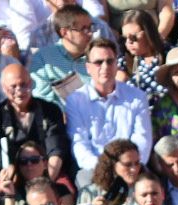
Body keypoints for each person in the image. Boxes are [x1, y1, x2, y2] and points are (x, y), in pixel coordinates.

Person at [66, 37, 154, 177]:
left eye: (110, 61)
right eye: (98, 62)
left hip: (133, 169)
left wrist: (129, 167)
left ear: (116, 64)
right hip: (94, 171)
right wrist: (106, 170)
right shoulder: (75, 101)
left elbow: (143, 140)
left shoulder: (137, 97)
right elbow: (80, 146)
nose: (105, 67)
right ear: (88, 68)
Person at [0, 60, 69, 182]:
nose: (19, 91)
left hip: (47, 171)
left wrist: (45, 183)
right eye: (13, 86)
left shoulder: (50, 110)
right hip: (14, 174)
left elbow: (56, 149)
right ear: (4, 89)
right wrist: (10, 174)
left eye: (23, 85)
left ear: (31, 84)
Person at [30, 4, 96, 107]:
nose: (90, 33)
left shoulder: (97, 57)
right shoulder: (43, 58)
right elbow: (41, 97)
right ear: (65, 32)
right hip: (60, 118)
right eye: (83, 29)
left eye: (90, 27)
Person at [78, 137, 145, 205]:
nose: (134, 169)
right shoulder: (89, 193)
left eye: (137, 163)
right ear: (112, 165)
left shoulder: (146, 190)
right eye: (127, 164)